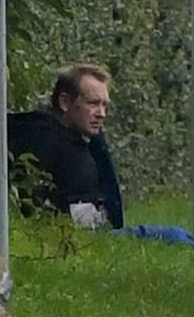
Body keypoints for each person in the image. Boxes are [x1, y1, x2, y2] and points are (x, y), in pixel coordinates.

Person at [8, 63, 124, 229]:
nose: (101, 114)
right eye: (93, 103)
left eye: (105, 105)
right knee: (174, 235)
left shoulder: (85, 140)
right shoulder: (41, 137)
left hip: (93, 232)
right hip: (72, 234)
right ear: (65, 102)